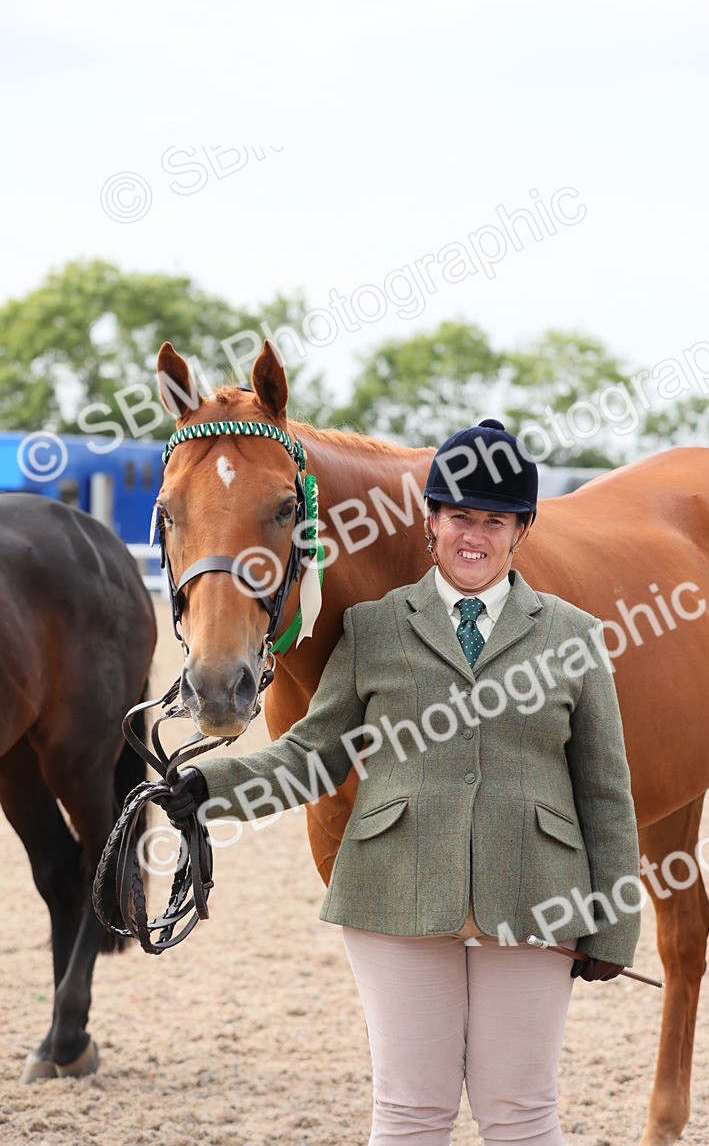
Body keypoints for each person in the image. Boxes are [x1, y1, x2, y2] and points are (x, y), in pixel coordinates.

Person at [161, 418, 641, 1146]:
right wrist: (212, 787)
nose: (473, 535)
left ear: (522, 531)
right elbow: (312, 757)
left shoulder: (571, 635)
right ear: (431, 524)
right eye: (458, 517)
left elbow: (605, 789)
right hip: (395, 890)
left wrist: (615, 919)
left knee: (523, 1114)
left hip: (536, 893)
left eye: (495, 521)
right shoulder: (375, 628)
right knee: (410, 1111)